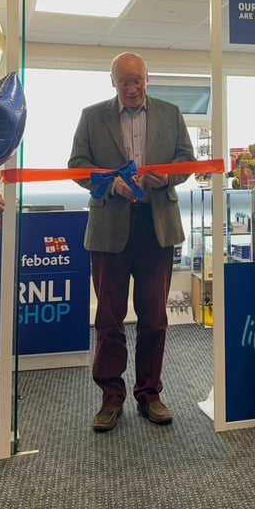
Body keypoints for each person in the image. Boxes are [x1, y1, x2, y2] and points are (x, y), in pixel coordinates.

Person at [68, 52, 195, 432]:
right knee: (108, 317)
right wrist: (108, 182)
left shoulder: (171, 113)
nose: (132, 88)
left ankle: (150, 394)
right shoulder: (93, 116)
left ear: (147, 79)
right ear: (113, 82)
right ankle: (111, 397)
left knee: (155, 317)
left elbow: (186, 160)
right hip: (110, 227)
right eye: (124, 82)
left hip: (157, 226)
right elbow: (77, 166)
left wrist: (167, 179)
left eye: (137, 80)